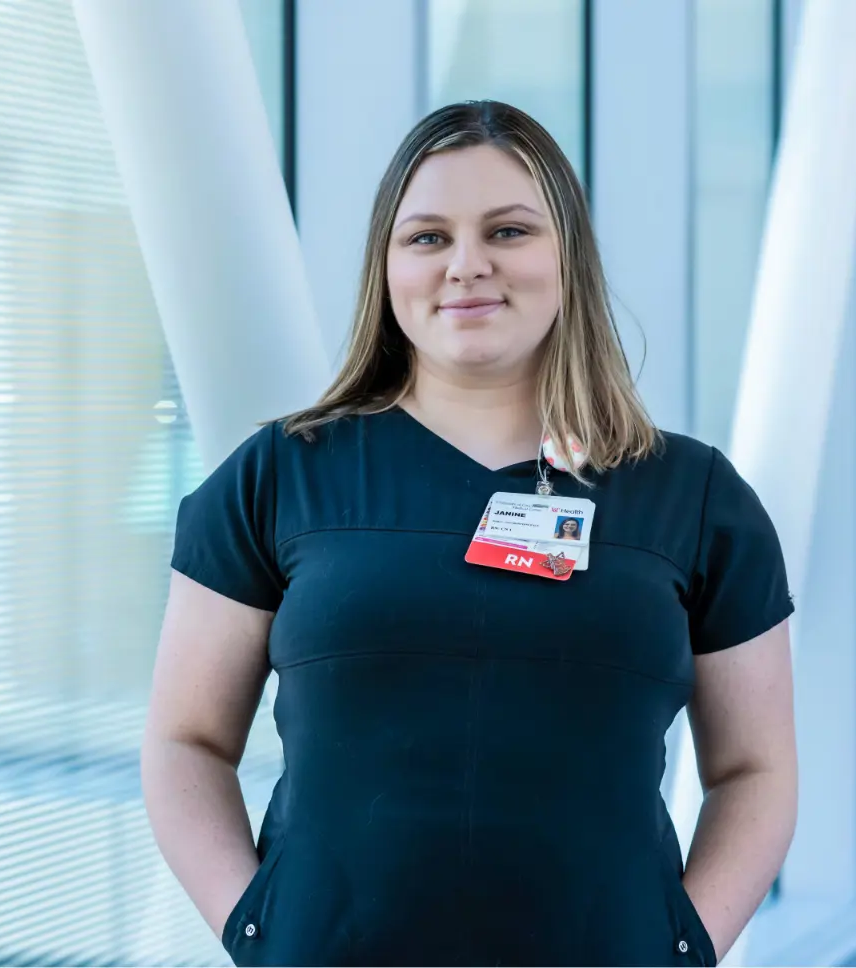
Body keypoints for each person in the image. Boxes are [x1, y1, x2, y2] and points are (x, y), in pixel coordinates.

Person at [140, 100, 796, 966]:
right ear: (387, 265)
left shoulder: (695, 498)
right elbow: (187, 740)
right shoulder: (279, 476)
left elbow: (757, 769)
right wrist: (256, 925)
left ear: (569, 257)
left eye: (509, 230)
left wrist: (681, 944)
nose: (467, 266)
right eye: (427, 238)